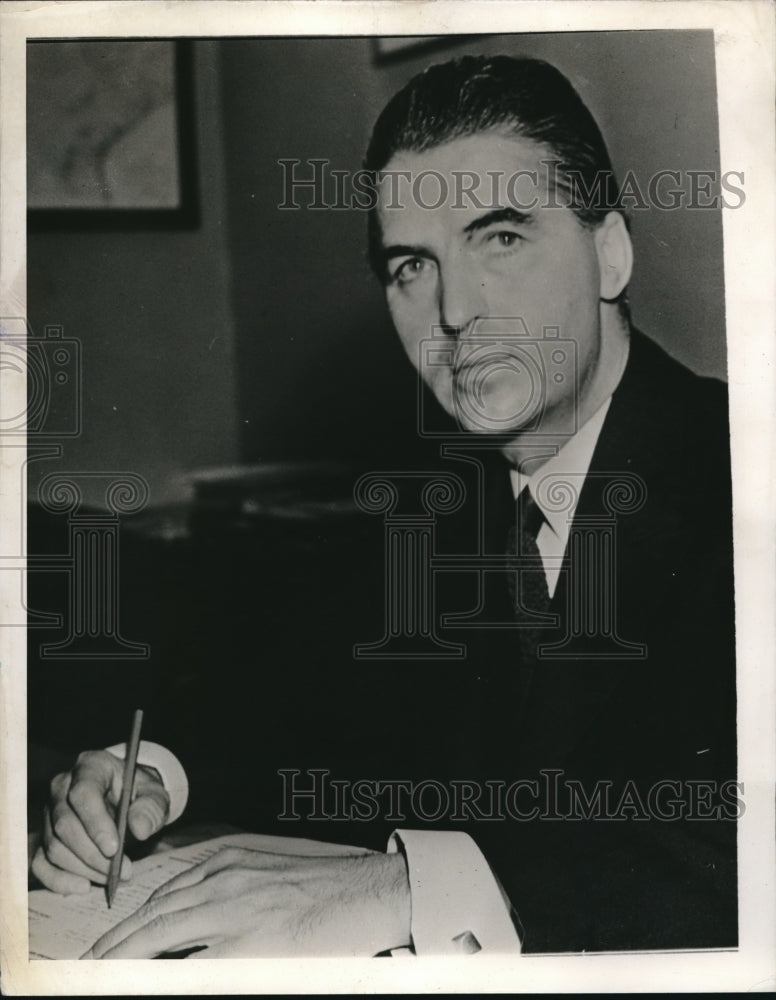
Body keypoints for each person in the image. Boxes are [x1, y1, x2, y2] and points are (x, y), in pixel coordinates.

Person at [30, 55, 737, 957]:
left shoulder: (743, 481)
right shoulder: (440, 508)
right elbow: (293, 706)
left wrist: (408, 888)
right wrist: (150, 776)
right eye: (413, 265)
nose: (456, 310)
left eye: (501, 238)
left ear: (611, 253)